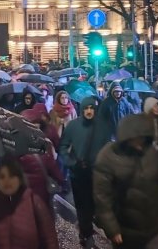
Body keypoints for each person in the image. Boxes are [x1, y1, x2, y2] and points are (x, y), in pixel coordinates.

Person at [93, 114, 158, 248]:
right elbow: (102, 199)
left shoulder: (151, 151)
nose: (139, 144)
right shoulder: (108, 157)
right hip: (126, 229)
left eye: (142, 139)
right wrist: (112, 229)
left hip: (155, 226)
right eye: (136, 139)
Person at [0, 156, 59, 249]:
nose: (7, 181)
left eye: (12, 176)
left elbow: (50, 242)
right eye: (2, 176)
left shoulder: (35, 203)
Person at [59, 96, 108, 248]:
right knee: (83, 206)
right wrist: (71, 163)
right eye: (86, 108)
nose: (88, 111)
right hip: (78, 173)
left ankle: (88, 226)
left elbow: (107, 148)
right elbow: (63, 147)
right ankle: (86, 234)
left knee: (95, 204)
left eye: (91, 108)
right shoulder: (73, 126)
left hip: (97, 173)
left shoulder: (102, 126)